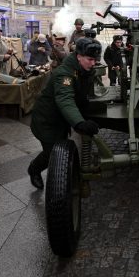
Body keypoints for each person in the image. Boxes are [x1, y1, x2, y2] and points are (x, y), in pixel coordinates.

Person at [28, 38, 102, 189]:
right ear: (78, 56)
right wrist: (79, 123)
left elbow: (81, 94)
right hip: (47, 121)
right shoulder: (64, 74)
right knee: (51, 153)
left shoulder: (82, 69)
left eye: (95, 60)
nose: (93, 63)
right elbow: (65, 99)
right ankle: (34, 170)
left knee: (59, 148)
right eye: (90, 59)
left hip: (61, 119)